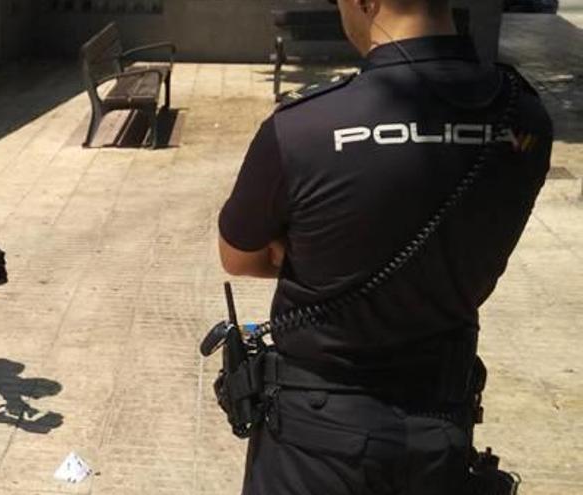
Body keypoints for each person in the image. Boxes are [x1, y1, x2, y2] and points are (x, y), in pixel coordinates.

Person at [217, 0, 552, 493]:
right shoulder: (525, 117)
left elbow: (238, 256)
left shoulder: (304, 128)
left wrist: (312, 252)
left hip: (314, 440)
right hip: (441, 427)